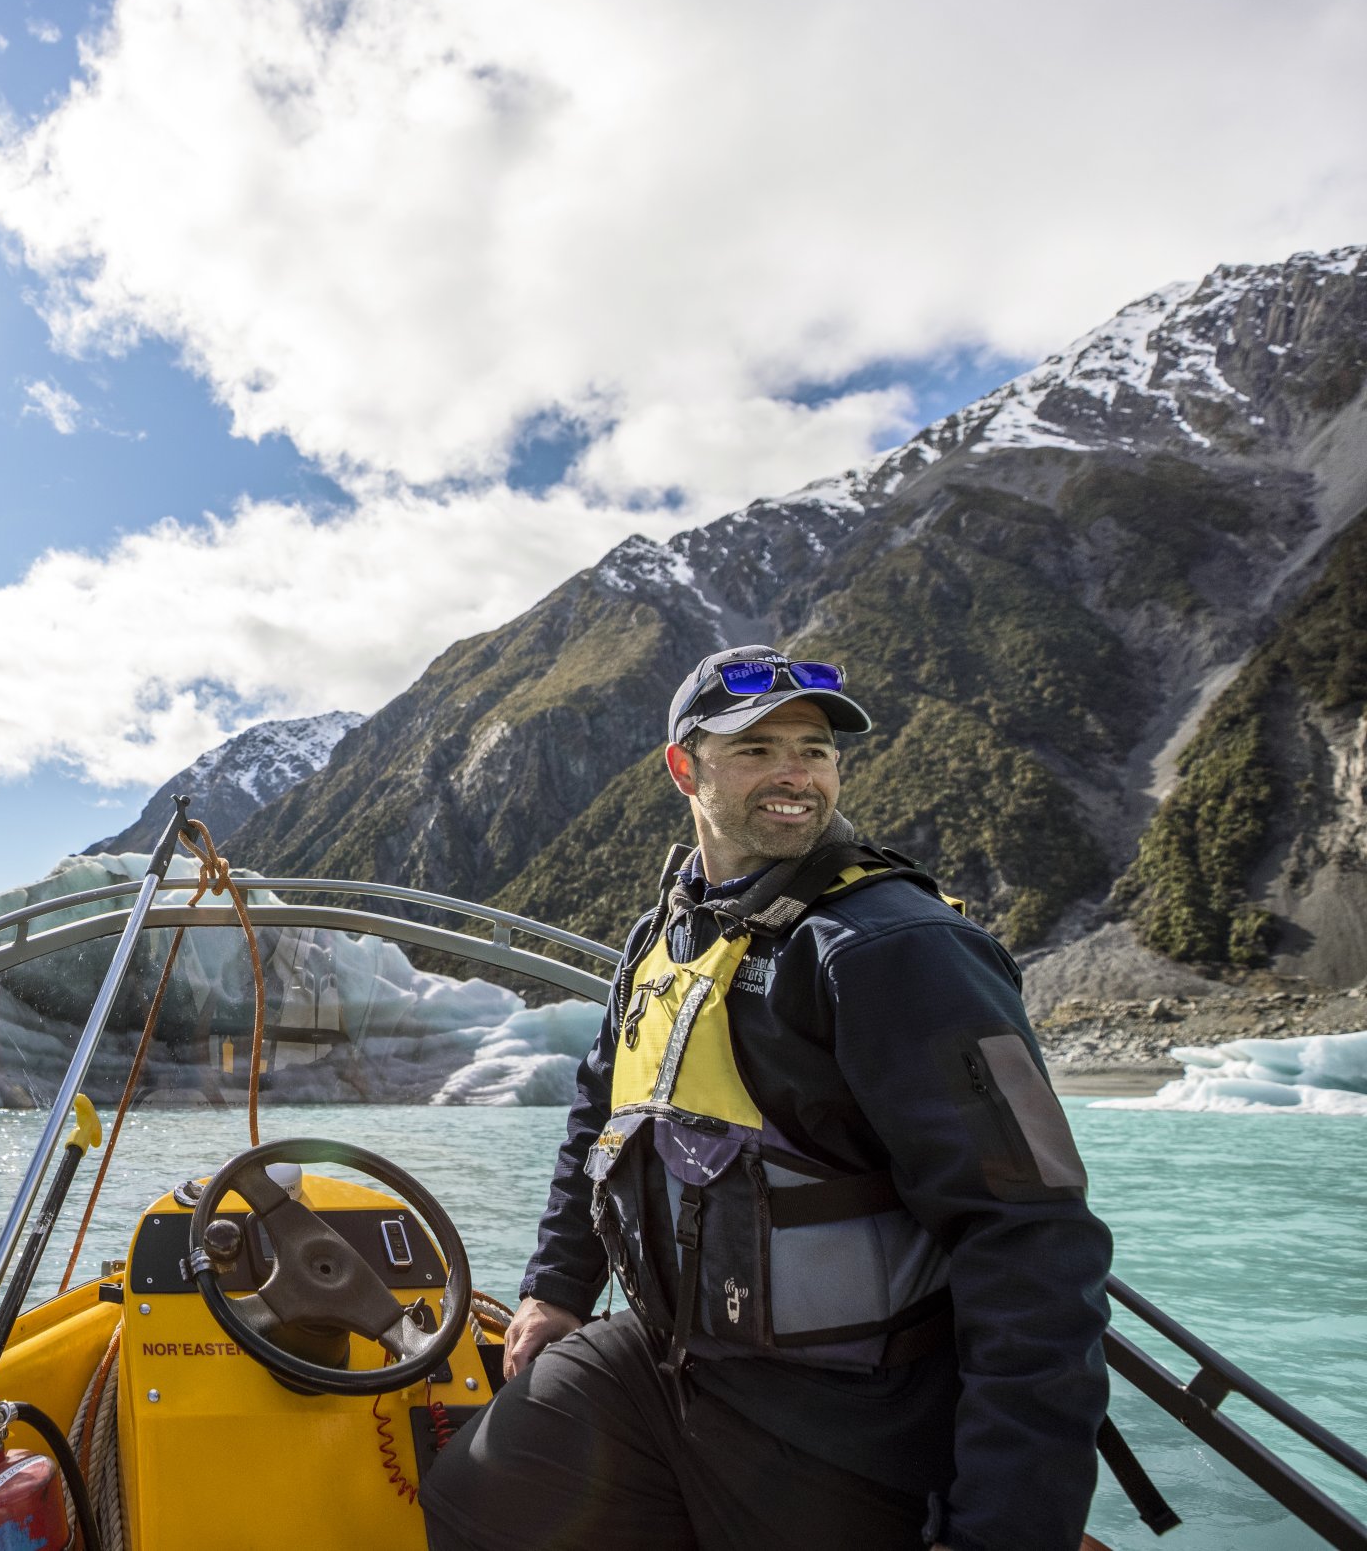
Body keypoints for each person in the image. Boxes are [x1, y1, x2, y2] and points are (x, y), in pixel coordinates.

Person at [422, 646, 1111, 1551]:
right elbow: (601, 1120)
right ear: (684, 769)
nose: (795, 773)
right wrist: (556, 1289)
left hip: (845, 1415)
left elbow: (1033, 1240)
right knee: (473, 1497)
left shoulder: (894, 949)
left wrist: (1005, 1528)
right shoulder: (667, 935)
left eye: (815, 750)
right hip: (673, 1361)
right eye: (755, 749)